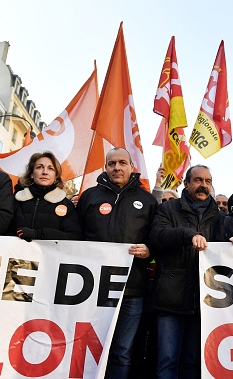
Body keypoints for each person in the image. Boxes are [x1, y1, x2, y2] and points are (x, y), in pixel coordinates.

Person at [76, 148, 158, 379]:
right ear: (105, 167)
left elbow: (157, 237)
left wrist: (150, 249)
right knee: (88, 346)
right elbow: (75, 234)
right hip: (91, 287)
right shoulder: (89, 196)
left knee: (122, 351)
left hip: (132, 289)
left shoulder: (148, 200)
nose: (117, 167)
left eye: (122, 162)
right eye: (111, 163)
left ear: (132, 166)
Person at [149, 164, 224, 379]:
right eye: (198, 180)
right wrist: (188, 234)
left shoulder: (219, 216)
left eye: (208, 182)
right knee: (167, 360)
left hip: (203, 300)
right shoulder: (167, 209)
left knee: (193, 361)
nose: (203, 185)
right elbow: (158, 236)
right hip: (170, 298)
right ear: (187, 183)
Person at [12, 152, 82, 241]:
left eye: (50, 168)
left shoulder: (66, 205)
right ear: (32, 174)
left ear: (56, 176)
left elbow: (74, 236)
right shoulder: (16, 200)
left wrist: (38, 234)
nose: (45, 172)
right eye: (39, 167)